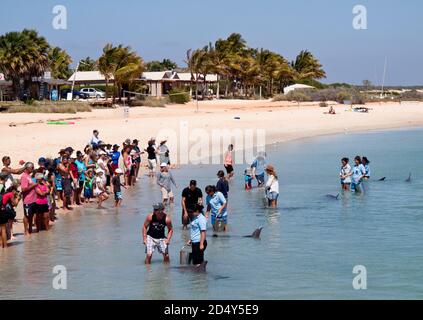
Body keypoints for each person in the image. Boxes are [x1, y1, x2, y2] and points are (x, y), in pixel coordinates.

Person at [20, 162, 37, 235]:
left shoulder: (28, 176)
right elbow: (23, 189)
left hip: (33, 200)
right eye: (32, 167)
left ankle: (30, 229)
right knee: (26, 216)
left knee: (31, 215)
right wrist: (33, 186)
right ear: (27, 168)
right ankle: (26, 230)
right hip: (27, 200)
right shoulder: (24, 176)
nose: (33, 169)